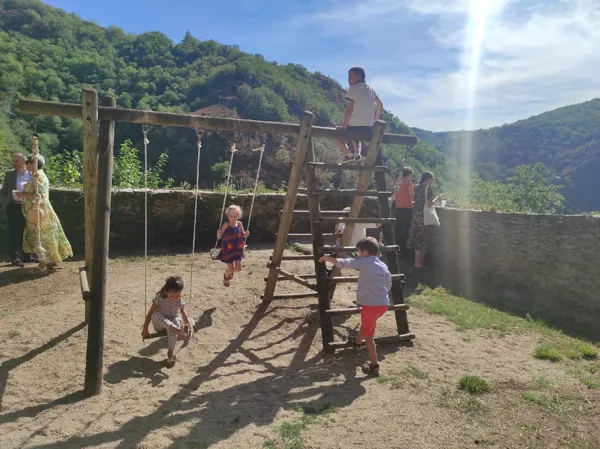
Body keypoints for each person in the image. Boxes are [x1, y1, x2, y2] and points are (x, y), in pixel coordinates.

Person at [319, 237, 391, 375]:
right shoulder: (383, 265)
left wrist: (329, 259)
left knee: (369, 337)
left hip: (371, 305)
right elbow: (388, 284)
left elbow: (346, 263)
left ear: (364, 252)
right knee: (366, 325)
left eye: (358, 251)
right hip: (383, 304)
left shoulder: (363, 262)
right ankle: (357, 343)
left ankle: (374, 366)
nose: (357, 254)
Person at [14, 154, 72, 274]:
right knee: (48, 236)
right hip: (40, 212)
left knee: (41, 238)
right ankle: (52, 262)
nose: (26, 164)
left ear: (33, 163)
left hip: (39, 213)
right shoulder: (37, 175)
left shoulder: (38, 177)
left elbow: (39, 196)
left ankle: (42, 265)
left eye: (28, 162)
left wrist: (22, 194)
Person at [141, 276, 195, 367]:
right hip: (160, 325)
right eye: (172, 296)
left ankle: (170, 354)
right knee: (155, 315)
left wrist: (191, 328)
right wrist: (145, 329)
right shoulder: (159, 298)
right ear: (166, 292)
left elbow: (184, 314)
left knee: (176, 321)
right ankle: (177, 330)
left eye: (178, 295)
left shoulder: (179, 300)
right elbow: (150, 313)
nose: (175, 298)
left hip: (172, 324)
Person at [336, 67, 383, 165]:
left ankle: (348, 154)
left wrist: (344, 125)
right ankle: (357, 155)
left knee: (335, 133)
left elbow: (349, 109)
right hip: (368, 129)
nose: (348, 79)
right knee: (356, 138)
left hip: (354, 128)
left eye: (351, 76)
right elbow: (380, 104)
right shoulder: (371, 89)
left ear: (359, 76)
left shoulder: (354, 88)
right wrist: (375, 120)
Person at [1, 152, 37, 267]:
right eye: (13, 161)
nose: (14, 163)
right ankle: (16, 258)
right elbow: (4, 191)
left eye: (16, 161)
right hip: (14, 206)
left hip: (29, 207)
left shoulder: (32, 174)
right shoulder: (9, 174)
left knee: (29, 231)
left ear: (23, 161)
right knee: (15, 232)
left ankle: (28, 255)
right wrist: (6, 203)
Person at [407, 171, 443, 269]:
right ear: (428, 178)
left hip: (416, 215)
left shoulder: (417, 187)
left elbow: (414, 199)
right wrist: (438, 199)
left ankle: (420, 262)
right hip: (424, 217)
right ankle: (417, 263)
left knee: (418, 238)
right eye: (432, 178)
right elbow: (429, 204)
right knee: (421, 239)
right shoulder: (428, 189)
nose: (433, 180)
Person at [216, 204, 249, 287]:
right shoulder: (226, 224)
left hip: (238, 249)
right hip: (228, 250)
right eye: (231, 216)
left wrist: (246, 234)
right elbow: (219, 237)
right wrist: (218, 233)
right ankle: (226, 278)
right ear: (228, 216)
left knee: (238, 269)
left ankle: (227, 273)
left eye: (235, 216)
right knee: (231, 268)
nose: (232, 218)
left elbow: (243, 235)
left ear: (238, 215)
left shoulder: (240, 224)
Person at [393, 167, 414, 257]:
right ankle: (402, 250)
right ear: (409, 175)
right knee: (405, 231)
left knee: (397, 229)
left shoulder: (398, 183)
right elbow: (412, 197)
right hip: (407, 209)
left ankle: (395, 249)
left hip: (398, 208)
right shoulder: (409, 183)